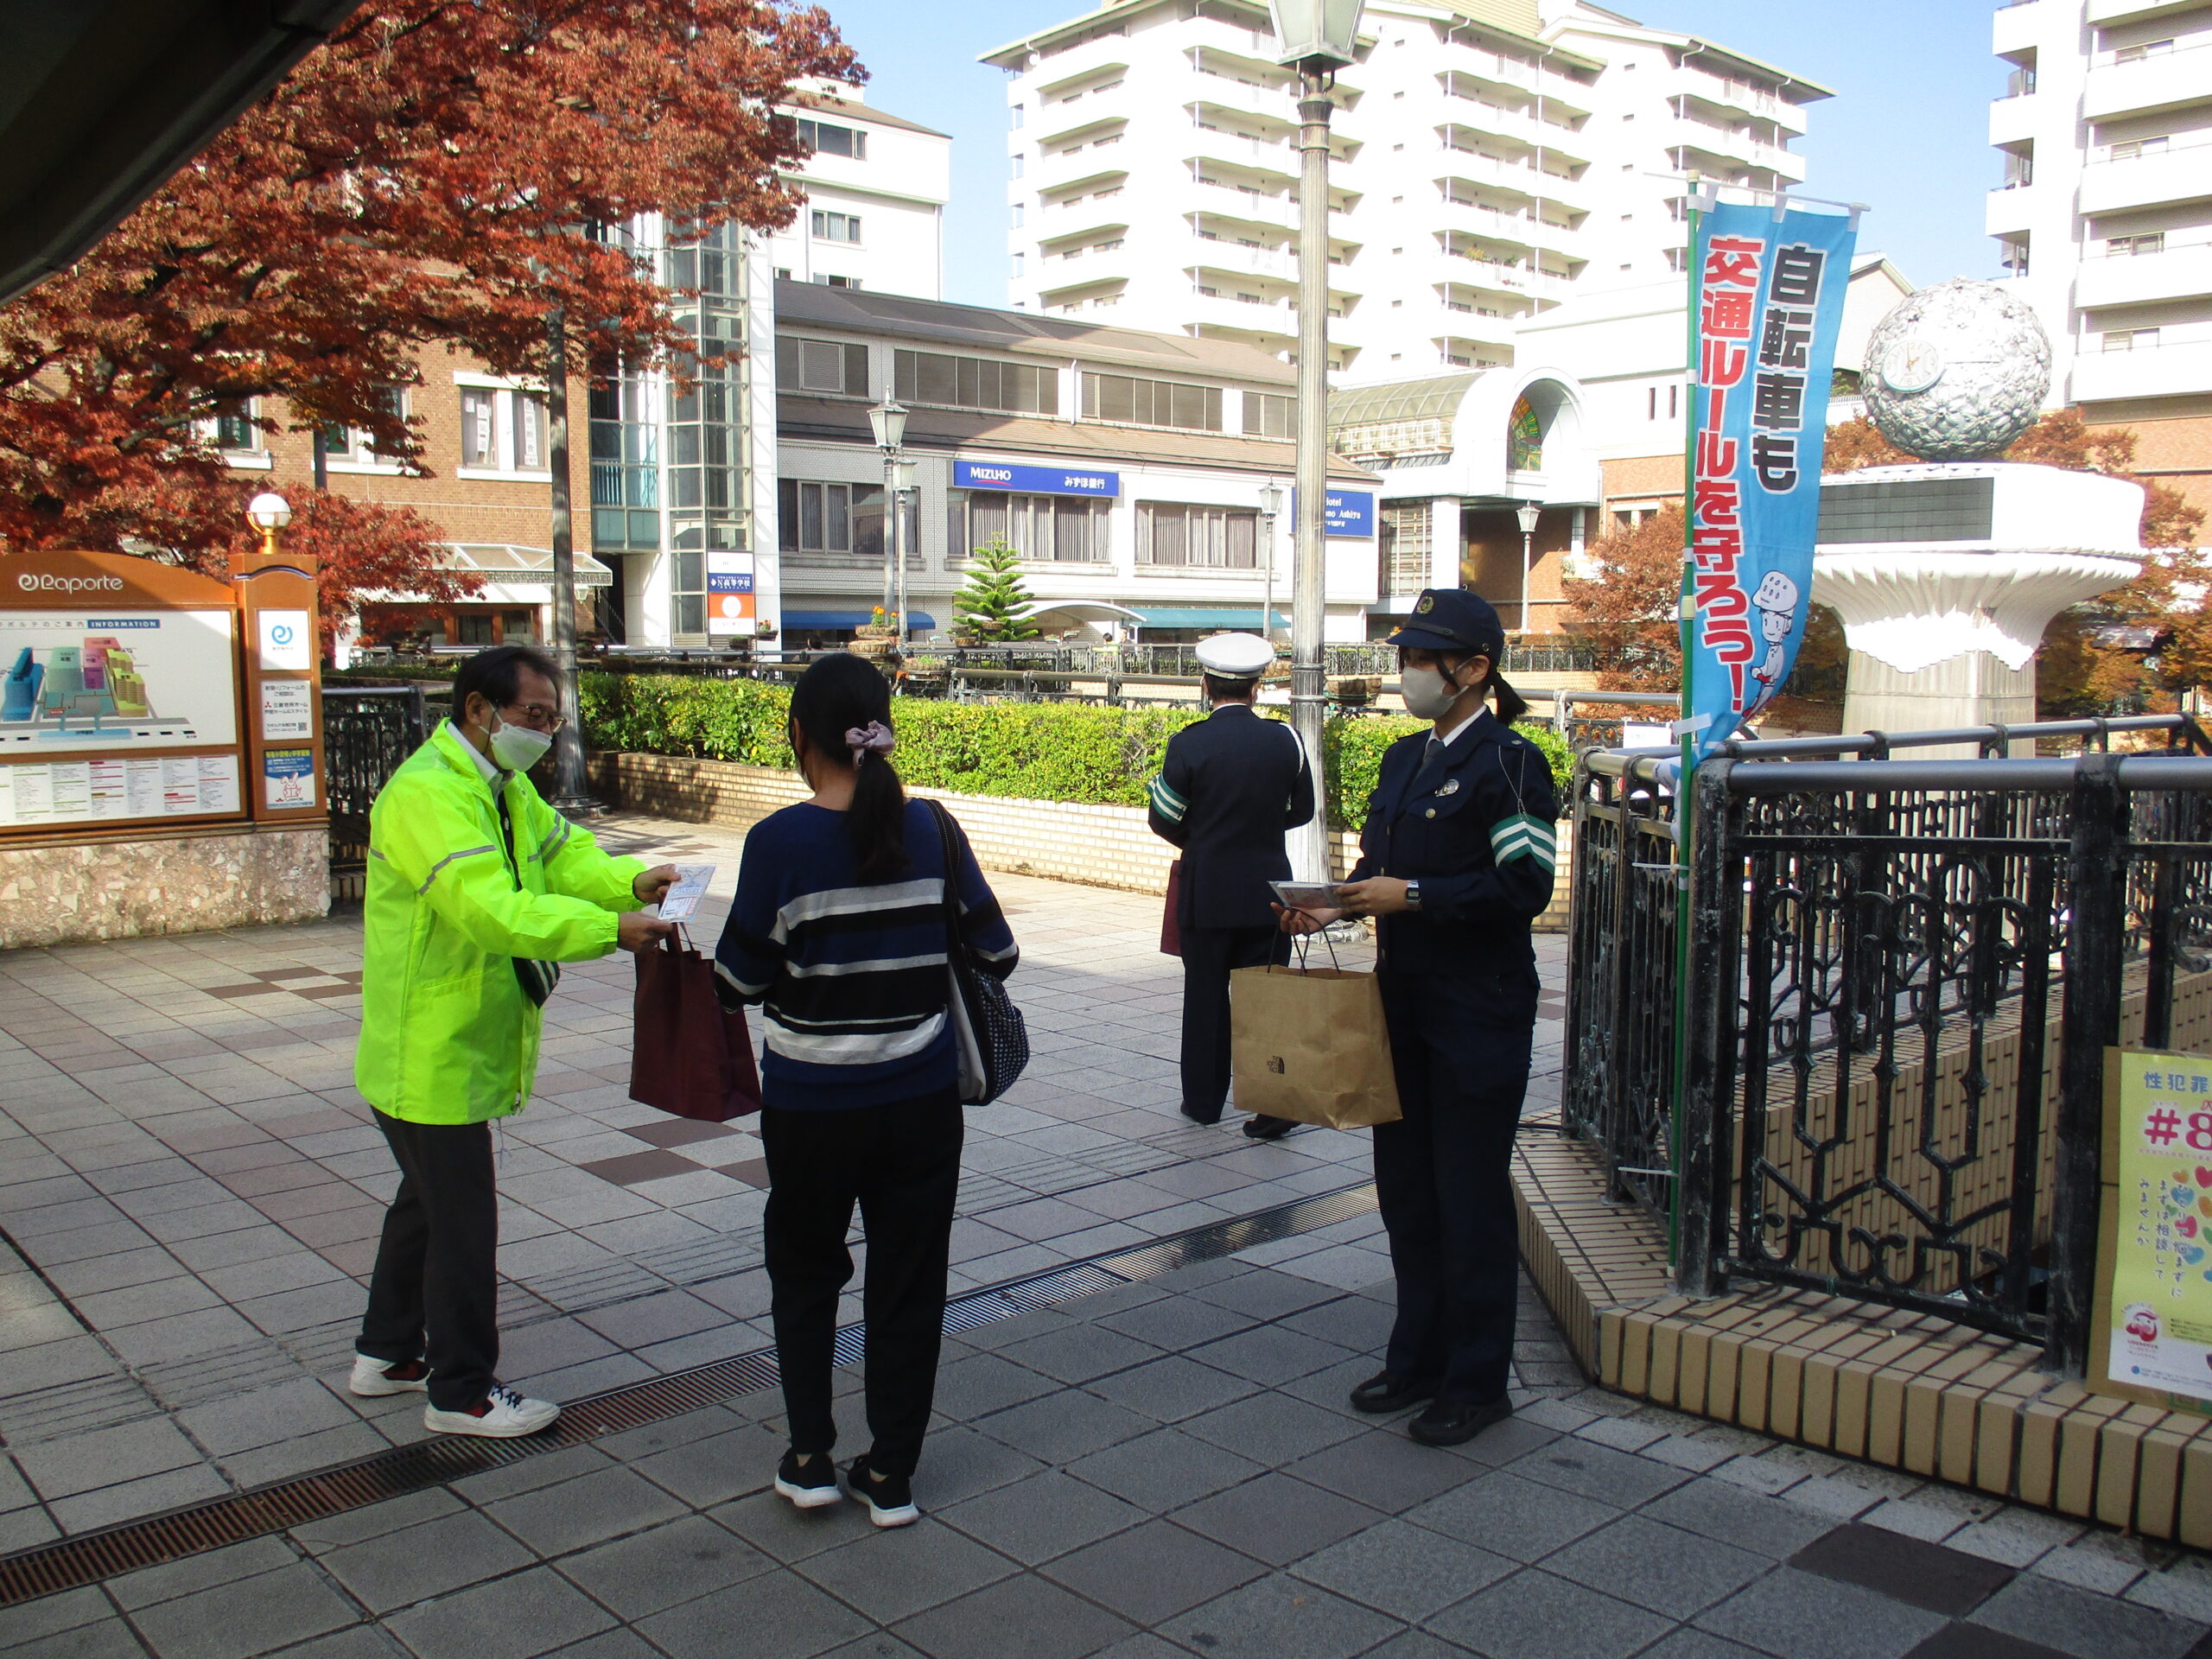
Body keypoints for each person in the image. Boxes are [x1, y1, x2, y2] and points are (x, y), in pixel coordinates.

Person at [715, 652, 1018, 1527]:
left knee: (807, 1274)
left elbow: (737, 982)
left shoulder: (777, 842)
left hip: (810, 1108)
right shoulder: (934, 828)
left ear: (798, 736)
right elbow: (996, 955)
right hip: (920, 1106)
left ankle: (809, 1458)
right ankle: (890, 1474)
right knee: (908, 1282)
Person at [352, 644, 676, 1437]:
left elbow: (562, 853)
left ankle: (388, 1352)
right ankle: (460, 1391)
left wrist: (628, 883)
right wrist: (610, 929)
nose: (543, 731)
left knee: (426, 1204)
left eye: (551, 718)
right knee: (461, 1220)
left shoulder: (499, 787)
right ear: (477, 710)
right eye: (533, 715)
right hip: (429, 1048)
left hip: (454, 1040)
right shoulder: (429, 794)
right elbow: (489, 910)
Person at [1281, 589, 1557, 1447]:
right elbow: (1379, 866)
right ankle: (1417, 1357)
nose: (1405, 672)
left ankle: (1477, 1382)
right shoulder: (1403, 759)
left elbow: (1526, 888)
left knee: (1468, 1197)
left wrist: (1420, 895)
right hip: (1399, 1006)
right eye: (1402, 656)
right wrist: (1338, 905)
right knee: (1406, 1192)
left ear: (1473, 670)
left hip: (1479, 1010)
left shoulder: (1512, 762)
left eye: (1420, 660)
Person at [1147, 632, 1316, 1137]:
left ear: (1205, 684)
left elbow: (1162, 817)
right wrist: (1257, 832)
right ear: (1257, 687)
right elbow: (1303, 810)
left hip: (1208, 893)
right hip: (1270, 896)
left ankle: (1203, 1102)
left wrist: (1203, 839)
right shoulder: (1286, 740)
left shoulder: (1189, 743)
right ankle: (1273, 1108)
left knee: (1205, 1000)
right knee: (1266, 1001)